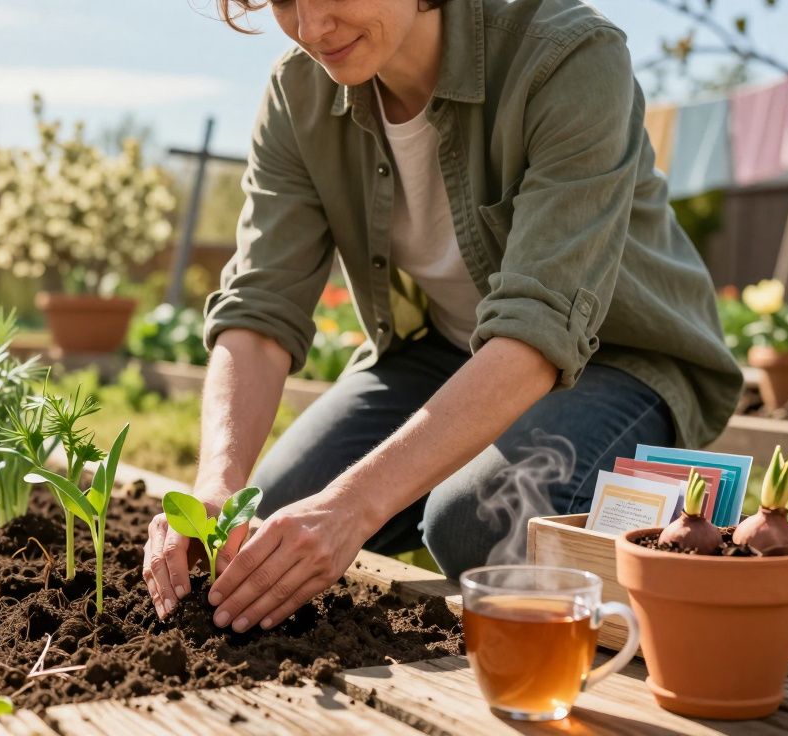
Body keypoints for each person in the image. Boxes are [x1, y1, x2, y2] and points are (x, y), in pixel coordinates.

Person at [141, 0, 742, 635]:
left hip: (618, 360)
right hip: (446, 353)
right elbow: (260, 311)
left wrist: (355, 506)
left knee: (472, 523)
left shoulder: (569, 56)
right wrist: (214, 489)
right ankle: (445, 467)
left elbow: (539, 330)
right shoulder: (299, 92)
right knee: (263, 527)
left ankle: (669, 506)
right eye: (286, 0)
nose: (312, 28)